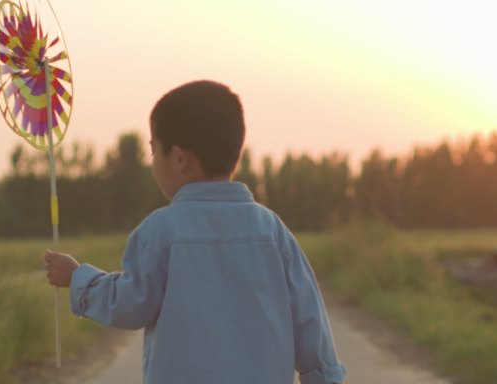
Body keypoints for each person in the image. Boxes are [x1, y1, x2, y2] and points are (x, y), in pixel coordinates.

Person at [44, 80, 346, 384]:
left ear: (178, 159)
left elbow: (130, 305)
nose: (152, 164)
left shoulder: (160, 232)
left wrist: (77, 278)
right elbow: (309, 321)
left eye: (153, 152)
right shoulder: (272, 231)